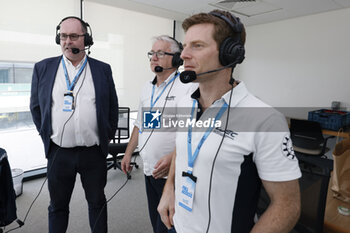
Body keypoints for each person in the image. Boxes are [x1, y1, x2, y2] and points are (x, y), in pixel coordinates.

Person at [157, 10, 301, 233]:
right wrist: (169, 188)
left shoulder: (264, 119)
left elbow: (287, 205)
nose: (183, 55)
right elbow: (182, 148)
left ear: (229, 54)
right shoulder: (187, 101)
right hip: (177, 225)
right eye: (185, 46)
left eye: (197, 45)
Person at [30, 16, 118, 233]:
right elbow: (36, 107)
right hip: (59, 152)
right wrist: (47, 136)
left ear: (86, 39)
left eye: (73, 36)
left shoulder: (102, 69)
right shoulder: (43, 68)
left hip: (93, 153)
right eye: (63, 36)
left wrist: (104, 137)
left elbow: (112, 107)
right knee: (58, 207)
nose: (68, 41)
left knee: (97, 203)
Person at [121, 35, 196, 233]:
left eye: (160, 53)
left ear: (177, 58)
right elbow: (140, 124)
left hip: (171, 171)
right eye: (152, 53)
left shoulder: (186, 87)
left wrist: (173, 157)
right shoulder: (148, 88)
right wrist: (128, 153)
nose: (154, 57)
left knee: (171, 224)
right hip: (149, 169)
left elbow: (193, 129)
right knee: (156, 220)